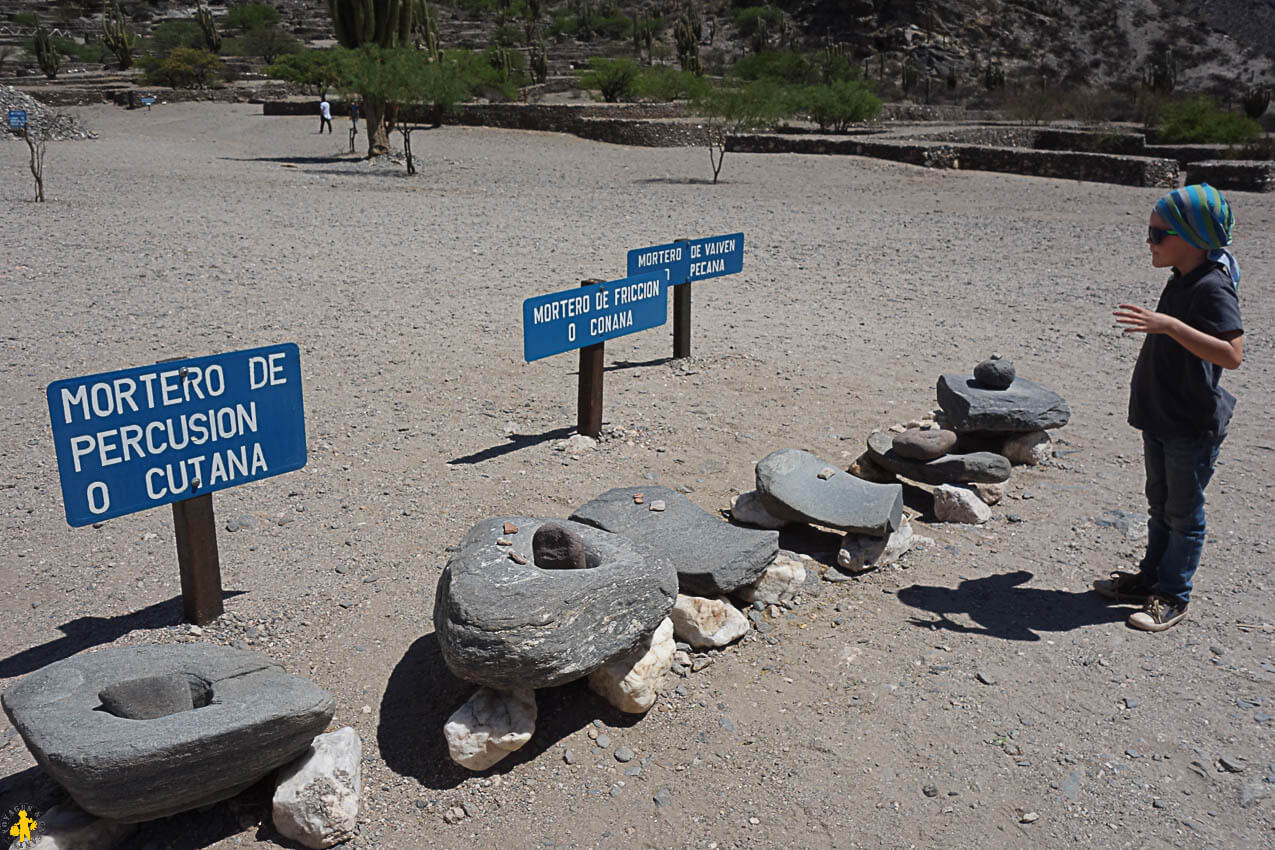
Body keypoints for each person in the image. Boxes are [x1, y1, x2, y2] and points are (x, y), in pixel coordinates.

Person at [1094, 184, 1243, 632]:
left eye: (1158, 234)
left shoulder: (1212, 286)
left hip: (1189, 423)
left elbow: (1232, 355)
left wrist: (1170, 326)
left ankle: (1174, 595)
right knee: (1159, 504)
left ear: (1192, 238)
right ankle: (1150, 579)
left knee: (1184, 512)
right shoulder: (1182, 276)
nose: (1149, 241)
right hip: (1162, 415)